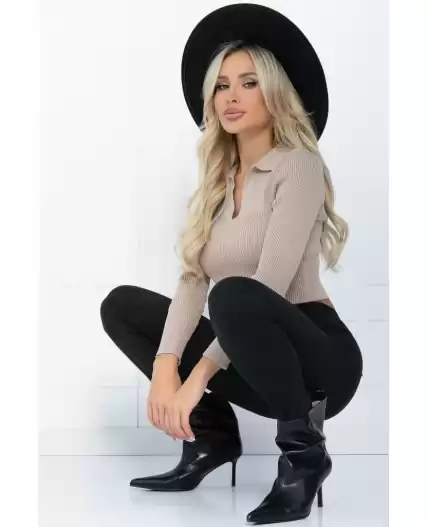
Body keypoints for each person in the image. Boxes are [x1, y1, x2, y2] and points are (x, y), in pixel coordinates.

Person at [100, 4, 364, 525]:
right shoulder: (216, 184)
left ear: (275, 93)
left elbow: (269, 284)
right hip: (249, 354)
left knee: (236, 294)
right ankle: (209, 439)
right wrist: (164, 369)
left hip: (318, 359)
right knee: (122, 306)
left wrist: (195, 378)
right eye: (221, 86)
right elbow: (192, 280)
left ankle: (304, 461)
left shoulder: (298, 166)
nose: (231, 96)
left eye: (248, 83)